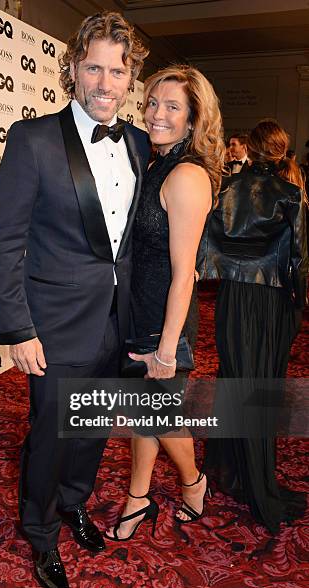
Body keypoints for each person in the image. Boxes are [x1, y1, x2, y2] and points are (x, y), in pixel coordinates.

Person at [0, 11, 150, 588]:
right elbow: (4, 238)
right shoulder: (32, 139)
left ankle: (74, 504)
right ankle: (40, 533)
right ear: (74, 70)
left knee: (94, 430)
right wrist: (18, 326)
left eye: (117, 70)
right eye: (94, 68)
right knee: (52, 435)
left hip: (117, 319)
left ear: (131, 78)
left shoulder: (136, 142)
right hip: (53, 326)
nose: (105, 82)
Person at [105, 64, 225, 540]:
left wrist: (167, 348)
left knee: (159, 415)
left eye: (172, 106)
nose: (156, 113)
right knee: (142, 411)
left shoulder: (188, 176)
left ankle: (193, 484)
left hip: (164, 320)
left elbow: (184, 274)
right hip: (139, 309)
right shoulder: (156, 164)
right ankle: (140, 497)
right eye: (153, 102)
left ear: (194, 120)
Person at [200, 119, 308, 534]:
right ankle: (256, 482)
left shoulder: (225, 189)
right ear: (281, 150)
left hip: (232, 297)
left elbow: (209, 246)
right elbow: (299, 260)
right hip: (271, 299)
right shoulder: (291, 195)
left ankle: (226, 469)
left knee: (232, 380)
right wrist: (298, 307)